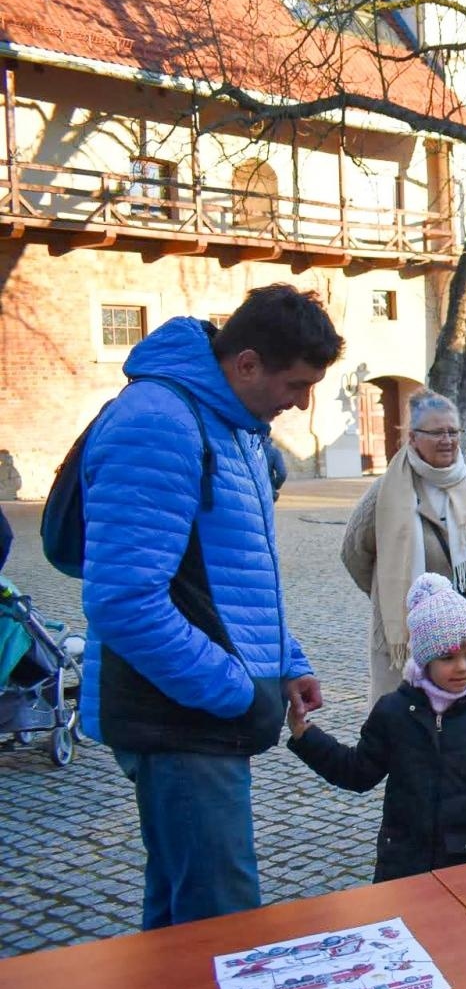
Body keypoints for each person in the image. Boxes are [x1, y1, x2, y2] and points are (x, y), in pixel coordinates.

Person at [80, 283, 343, 930]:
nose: (303, 403)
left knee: (179, 918)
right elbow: (123, 602)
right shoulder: (160, 421)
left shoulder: (234, 425)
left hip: (196, 715)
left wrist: (284, 661)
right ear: (247, 363)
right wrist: (234, 690)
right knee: (222, 924)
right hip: (178, 718)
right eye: (297, 384)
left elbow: (239, 570)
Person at [287, 573, 466, 882]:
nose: (462, 667)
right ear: (424, 658)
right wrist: (306, 736)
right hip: (403, 865)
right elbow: (358, 771)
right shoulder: (393, 712)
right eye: (447, 657)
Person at [342, 388, 466, 708]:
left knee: (465, 727)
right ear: (413, 438)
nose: (448, 440)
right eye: (437, 432)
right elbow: (355, 552)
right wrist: (388, 590)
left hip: (462, 633)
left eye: (453, 431)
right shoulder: (385, 492)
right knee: (403, 724)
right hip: (405, 627)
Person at [264, 432, 288, 501]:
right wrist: (275, 486)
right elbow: (282, 474)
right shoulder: (274, 452)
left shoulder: (245, 449)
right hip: (268, 491)